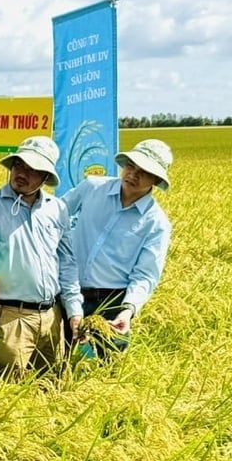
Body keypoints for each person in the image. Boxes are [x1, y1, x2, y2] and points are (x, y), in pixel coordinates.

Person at [0, 136, 83, 375]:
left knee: (48, 385)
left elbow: (67, 263)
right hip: (10, 317)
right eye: (19, 165)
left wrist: (74, 311)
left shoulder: (57, 209)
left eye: (33, 169)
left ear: (45, 177)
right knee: (3, 388)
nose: (22, 173)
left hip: (52, 316)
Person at [62, 138, 174, 353]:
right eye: (131, 166)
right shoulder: (92, 187)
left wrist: (128, 310)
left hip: (112, 301)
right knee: (56, 358)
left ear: (156, 179)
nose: (133, 174)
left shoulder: (156, 223)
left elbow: (145, 274)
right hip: (69, 289)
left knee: (111, 364)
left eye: (144, 172)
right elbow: (55, 215)